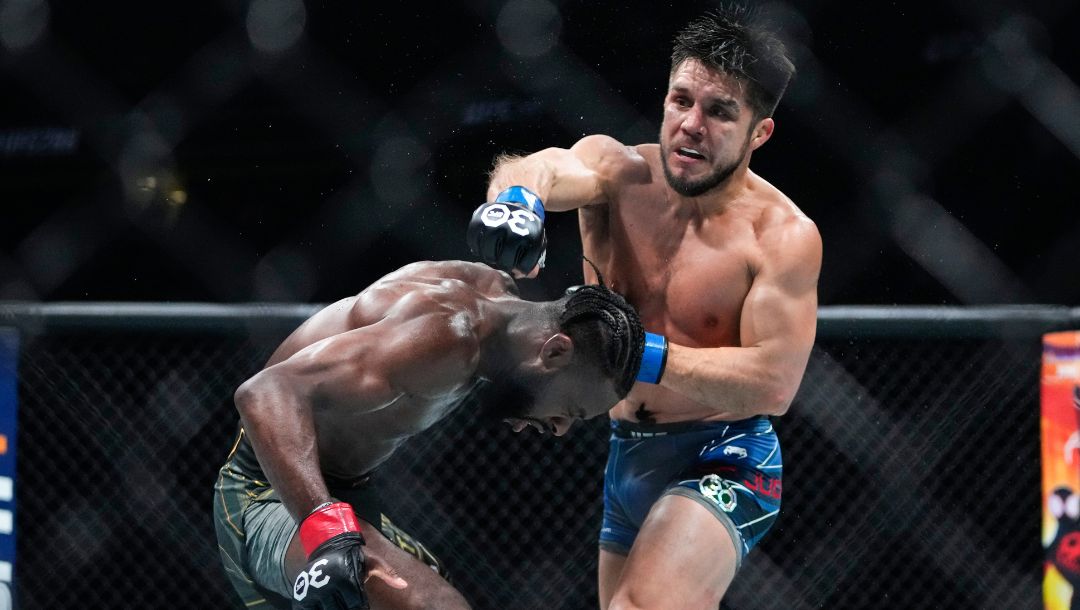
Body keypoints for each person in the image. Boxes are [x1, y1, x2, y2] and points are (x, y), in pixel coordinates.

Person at [466, 7, 821, 609]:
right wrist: (519, 198)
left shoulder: (781, 236)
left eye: (719, 111)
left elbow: (773, 384)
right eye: (681, 100)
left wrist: (640, 355)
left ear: (759, 132)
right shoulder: (619, 174)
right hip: (625, 451)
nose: (690, 124)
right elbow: (548, 166)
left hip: (725, 454)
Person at [212, 259, 649, 609]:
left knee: (432, 585)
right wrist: (327, 529)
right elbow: (265, 391)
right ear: (555, 350)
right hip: (270, 490)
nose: (558, 430)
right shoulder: (446, 338)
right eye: (569, 410)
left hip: (344, 494)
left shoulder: (495, 292)